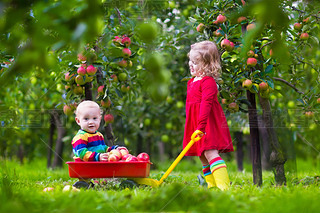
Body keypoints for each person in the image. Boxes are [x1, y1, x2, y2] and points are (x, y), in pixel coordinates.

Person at [183, 40, 234, 190]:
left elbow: (206, 105)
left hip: (206, 125)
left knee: (211, 152)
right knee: (203, 156)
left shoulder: (208, 82)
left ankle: (224, 188)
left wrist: (201, 126)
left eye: (196, 62)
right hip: (196, 125)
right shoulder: (192, 82)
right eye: (190, 61)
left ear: (207, 65)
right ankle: (212, 187)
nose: (191, 65)